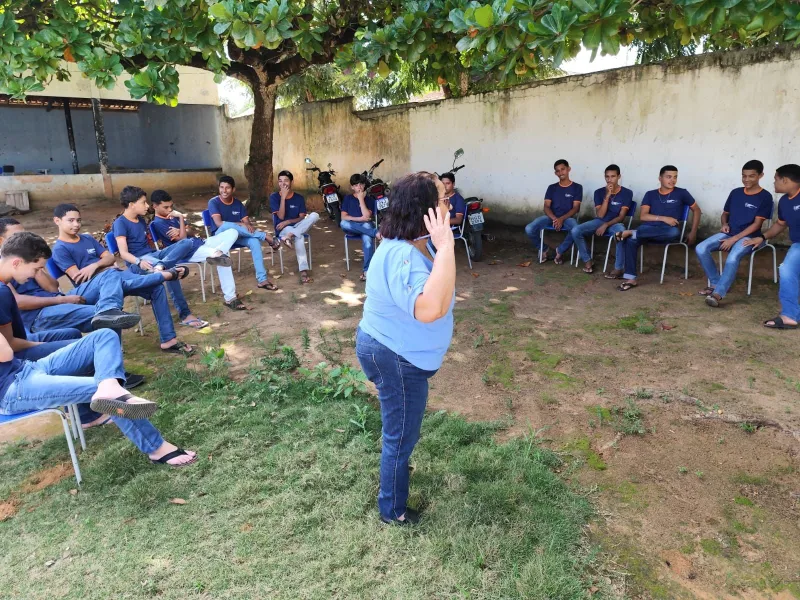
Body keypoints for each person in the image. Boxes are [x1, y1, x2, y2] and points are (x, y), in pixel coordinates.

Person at [0, 231, 197, 466]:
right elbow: (6, 351)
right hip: (13, 388)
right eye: (35, 270)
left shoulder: (4, 288)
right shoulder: (2, 292)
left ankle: (110, 384)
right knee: (109, 397)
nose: (35, 275)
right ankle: (157, 448)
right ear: (16, 262)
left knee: (103, 336)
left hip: (26, 368)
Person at [356, 172, 456, 526]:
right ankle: (392, 510)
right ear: (426, 210)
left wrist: (442, 247)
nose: (450, 204)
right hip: (394, 357)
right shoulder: (402, 255)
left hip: (397, 353)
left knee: (402, 429)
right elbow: (430, 308)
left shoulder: (415, 243)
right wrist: (446, 247)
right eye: (444, 200)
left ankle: (395, 482)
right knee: (401, 434)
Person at [52, 204, 195, 355]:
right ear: (57, 221)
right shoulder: (60, 249)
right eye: (71, 220)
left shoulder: (87, 238)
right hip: (96, 288)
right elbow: (80, 277)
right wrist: (103, 267)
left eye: (79, 220)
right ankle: (165, 275)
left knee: (156, 289)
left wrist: (95, 265)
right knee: (114, 275)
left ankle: (168, 340)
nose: (76, 224)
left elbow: (110, 257)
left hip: (116, 276)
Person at [0, 218, 144, 337]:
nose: (23, 240)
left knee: (110, 277)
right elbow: (18, 302)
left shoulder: (28, 260)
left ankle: (110, 308)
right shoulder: (5, 267)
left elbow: (52, 288)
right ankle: (161, 275)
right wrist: (62, 299)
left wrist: (36, 269)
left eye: (23, 235)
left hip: (56, 300)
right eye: (15, 236)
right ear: (1, 241)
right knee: (107, 317)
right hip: (38, 314)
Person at [113, 186, 211, 329]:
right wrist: (139, 262)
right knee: (171, 271)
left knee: (187, 242)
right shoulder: (120, 223)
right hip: (138, 262)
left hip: (153, 256)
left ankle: (162, 265)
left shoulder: (140, 220)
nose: (147, 206)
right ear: (132, 204)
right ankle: (185, 314)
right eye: (143, 202)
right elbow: (123, 253)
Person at [150, 189, 248, 310]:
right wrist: (181, 218)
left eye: (171, 206)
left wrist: (183, 230)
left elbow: (192, 231)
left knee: (233, 232)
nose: (170, 210)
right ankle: (230, 298)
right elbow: (183, 241)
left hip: (201, 243)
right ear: (155, 206)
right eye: (166, 207)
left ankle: (218, 253)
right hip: (189, 252)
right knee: (223, 259)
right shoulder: (159, 223)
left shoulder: (171, 216)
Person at [696, 160, 774, 307]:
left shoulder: (765, 196)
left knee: (732, 258)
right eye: (744, 176)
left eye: (751, 176)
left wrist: (734, 239)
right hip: (729, 233)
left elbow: (757, 224)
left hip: (751, 237)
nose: (746, 180)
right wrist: (724, 224)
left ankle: (718, 294)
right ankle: (715, 283)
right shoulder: (736, 192)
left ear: (761, 175)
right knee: (701, 248)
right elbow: (725, 214)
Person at [614, 165, 702, 291]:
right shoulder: (650, 195)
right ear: (660, 178)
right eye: (668, 177)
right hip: (647, 230)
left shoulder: (682, 193)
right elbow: (643, 216)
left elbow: (697, 210)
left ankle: (633, 232)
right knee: (631, 241)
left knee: (674, 232)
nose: (672, 180)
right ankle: (631, 279)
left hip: (667, 232)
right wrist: (664, 218)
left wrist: (693, 232)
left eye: (675, 177)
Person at [744, 164, 800, 329]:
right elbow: (780, 225)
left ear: (784, 180)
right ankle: (789, 315)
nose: (774, 183)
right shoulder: (784, 201)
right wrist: (761, 237)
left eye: (775, 179)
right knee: (786, 270)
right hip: (798, 245)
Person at [208, 175, 281, 291]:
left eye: (227, 188)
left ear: (233, 189)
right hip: (220, 236)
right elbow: (218, 223)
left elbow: (247, 224)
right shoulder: (213, 202)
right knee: (227, 226)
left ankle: (262, 280)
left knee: (254, 241)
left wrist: (243, 224)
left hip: (237, 236)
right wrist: (240, 224)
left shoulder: (238, 204)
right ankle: (265, 236)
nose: (224, 190)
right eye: (221, 187)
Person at [565, 164, 634, 274]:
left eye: (613, 176)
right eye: (607, 177)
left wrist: (606, 225)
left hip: (615, 223)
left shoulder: (627, 193)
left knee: (621, 234)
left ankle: (618, 268)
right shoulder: (599, 192)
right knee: (575, 230)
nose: (609, 180)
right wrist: (607, 196)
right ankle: (587, 261)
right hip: (599, 221)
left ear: (619, 176)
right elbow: (600, 215)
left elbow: (621, 217)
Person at [524, 159, 583, 264]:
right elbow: (546, 206)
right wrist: (555, 219)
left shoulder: (577, 187)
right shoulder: (552, 188)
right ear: (555, 173)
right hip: (551, 217)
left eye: (563, 169)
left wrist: (561, 219)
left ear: (568, 169)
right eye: (558, 171)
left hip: (567, 218)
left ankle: (559, 251)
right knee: (529, 228)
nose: (561, 173)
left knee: (576, 229)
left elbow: (576, 208)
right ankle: (543, 249)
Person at [270, 170, 320, 284]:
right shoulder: (274, 197)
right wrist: (283, 198)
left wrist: (289, 221)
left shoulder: (299, 198)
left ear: (291, 182)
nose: (283, 184)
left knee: (315, 215)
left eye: (286, 181)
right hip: (282, 228)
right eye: (280, 181)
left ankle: (289, 236)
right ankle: (303, 271)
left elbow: (302, 217)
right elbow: (281, 216)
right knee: (300, 237)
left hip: (296, 225)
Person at [339, 174, 377, 282]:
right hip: (352, 227)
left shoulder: (370, 200)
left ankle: (366, 271)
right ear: (352, 187)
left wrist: (361, 199)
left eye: (361, 184)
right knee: (343, 223)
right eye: (356, 185)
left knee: (367, 239)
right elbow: (343, 217)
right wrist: (360, 219)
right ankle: (373, 232)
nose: (359, 187)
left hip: (364, 228)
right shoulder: (347, 199)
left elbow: (367, 216)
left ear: (364, 185)